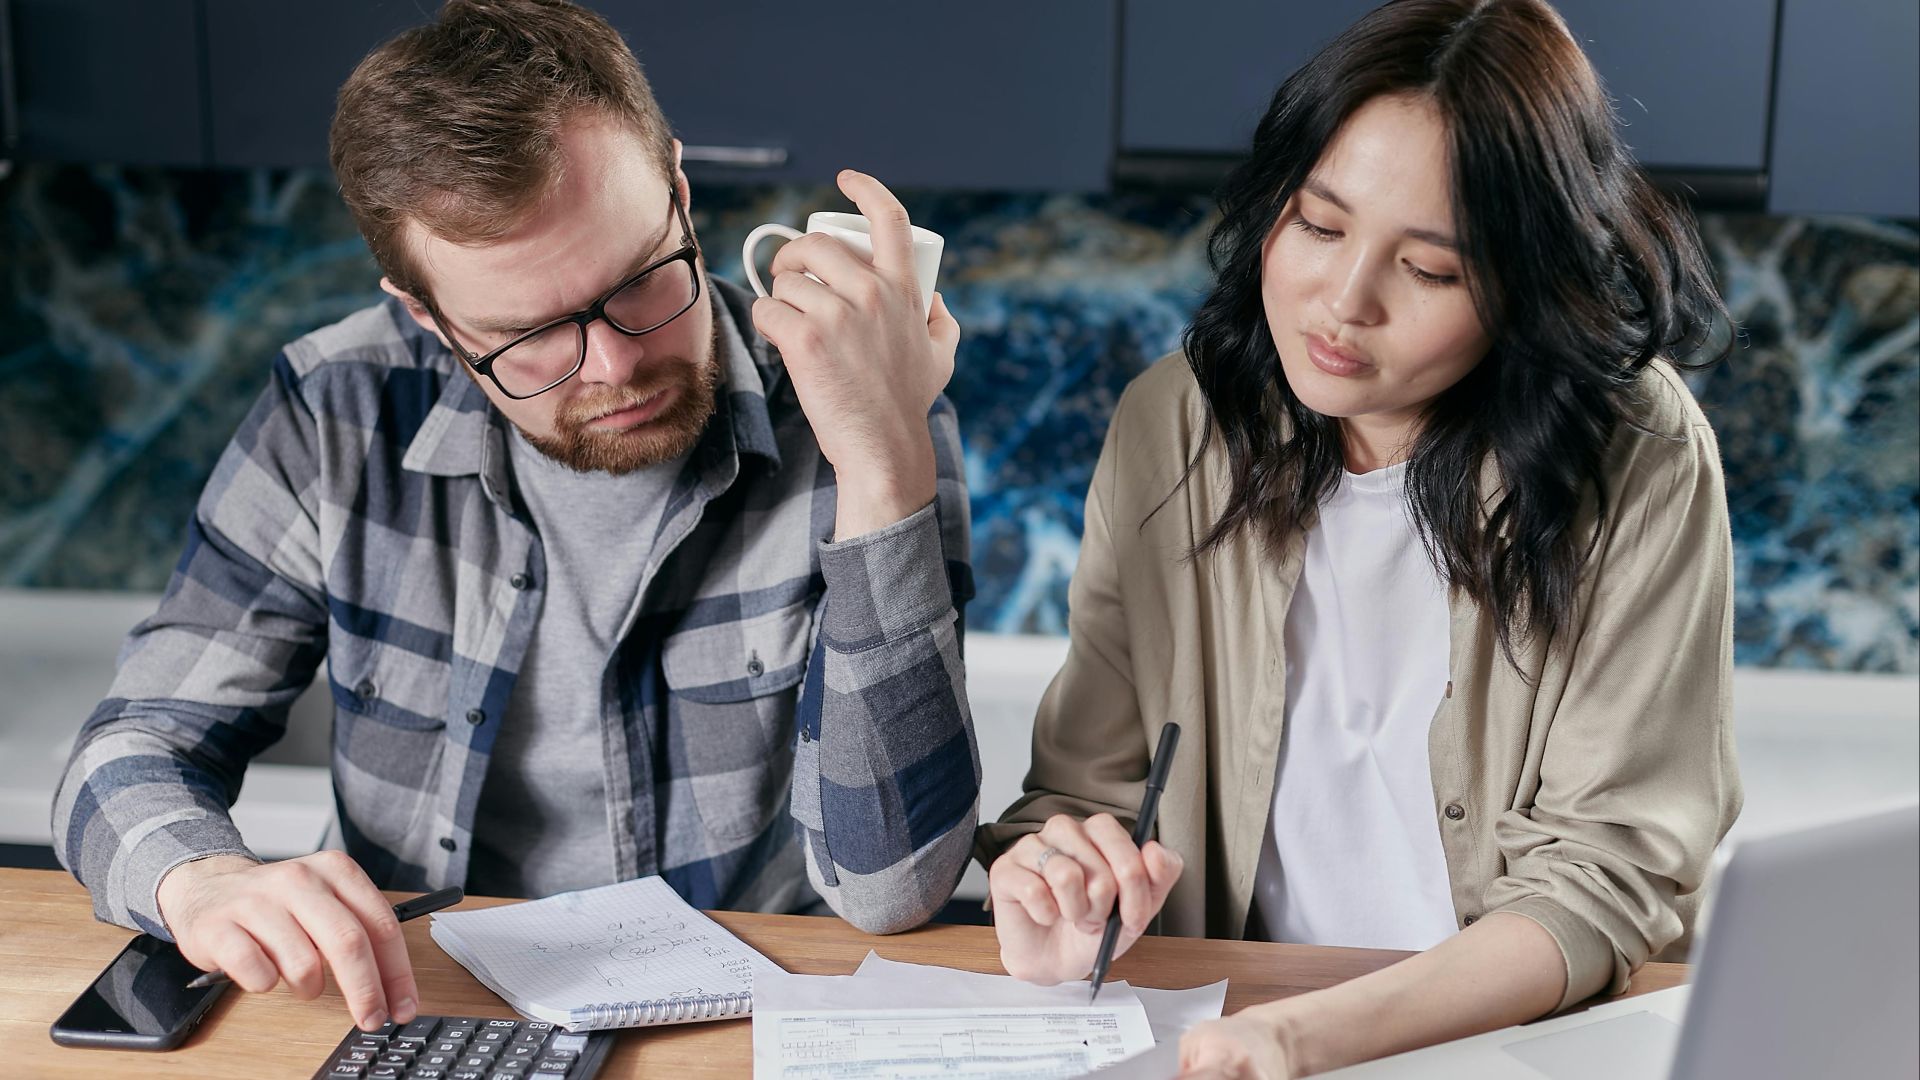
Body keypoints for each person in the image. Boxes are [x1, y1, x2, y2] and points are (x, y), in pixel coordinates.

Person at [51, 0, 979, 1036]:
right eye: (528, 338)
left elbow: (892, 887)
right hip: (425, 1018)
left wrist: (885, 455)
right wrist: (203, 881)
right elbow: (132, 747)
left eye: (638, 282)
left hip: (738, 1028)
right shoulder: (336, 409)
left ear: (676, 189)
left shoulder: (859, 398)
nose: (618, 365)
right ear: (426, 314)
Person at [977, 0, 1741, 1075]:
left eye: (1429, 270)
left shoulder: (1641, 455)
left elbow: (1603, 880)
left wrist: (1297, 1038)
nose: (1342, 302)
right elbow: (1087, 792)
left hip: (1512, 1047)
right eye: (1320, 226)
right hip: (1231, 1028)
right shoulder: (1174, 424)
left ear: (1526, 284)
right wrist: (1057, 883)